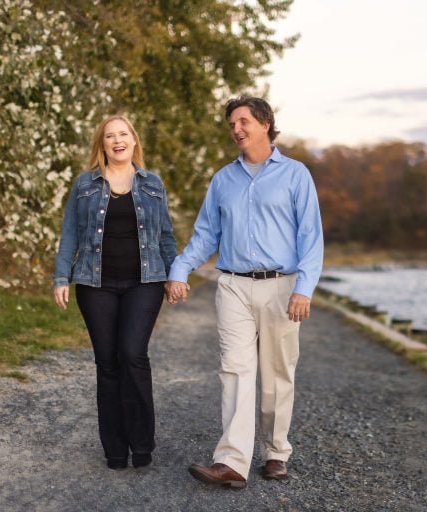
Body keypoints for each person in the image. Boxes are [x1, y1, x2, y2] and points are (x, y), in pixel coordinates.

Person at [166, 95, 323, 488]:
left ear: (265, 123)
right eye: (231, 124)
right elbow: (206, 236)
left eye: (243, 121)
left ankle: (275, 452)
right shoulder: (223, 180)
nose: (236, 129)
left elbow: (311, 237)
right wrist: (180, 268)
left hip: (281, 286)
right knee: (234, 371)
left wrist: (304, 288)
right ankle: (232, 461)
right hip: (233, 284)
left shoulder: (295, 175)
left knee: (277, 373)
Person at [52, 115, 177, 470]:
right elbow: (71, 234)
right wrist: (61, 277)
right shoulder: (85, 184)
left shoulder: (152, 183)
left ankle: (142, 443)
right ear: (102, 144)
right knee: (107, 363)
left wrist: (175, 273)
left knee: (132, 354)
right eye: (110, 136)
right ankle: (115, 450)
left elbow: (165, 234)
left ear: (134, 141)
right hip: (96, 285)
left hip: (145, 281)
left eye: (123, 134)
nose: (117, 140)